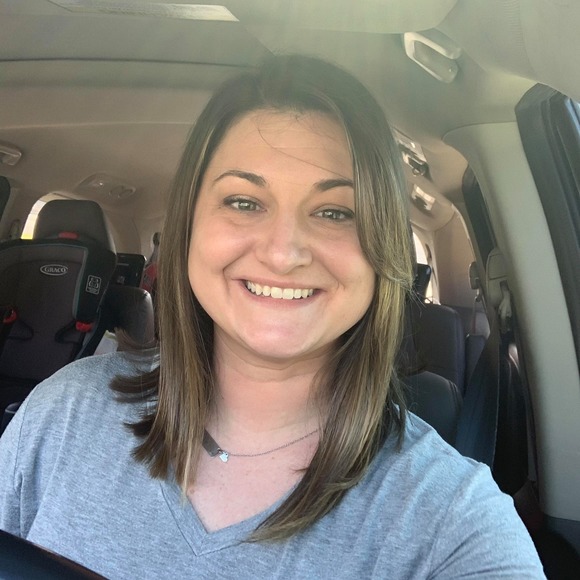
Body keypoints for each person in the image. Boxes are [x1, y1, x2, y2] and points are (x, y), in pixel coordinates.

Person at [0, 55, 545, 578]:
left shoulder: (453, 523)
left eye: (334, 212)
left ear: (382, 248)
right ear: (189, 228)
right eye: (243, 202)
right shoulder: (63, 413)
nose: (283, 253)